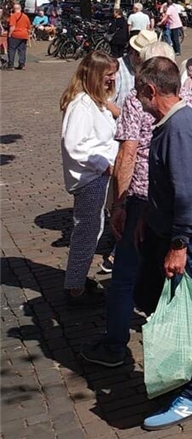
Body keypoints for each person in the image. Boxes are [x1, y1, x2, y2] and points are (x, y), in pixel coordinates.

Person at [81, 42, 192, 368]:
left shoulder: (140, 103)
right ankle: (172, 350)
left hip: (148, 199)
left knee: (128, 273)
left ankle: (118, 345)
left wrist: (119, 203)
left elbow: (127, 153)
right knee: (170, 282)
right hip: (169, 204)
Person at [131, 57, 192, 430]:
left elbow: (188, 196)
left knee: (190, 313)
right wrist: (148, 220)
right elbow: (170, 190)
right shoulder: (171, 124)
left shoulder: (179, 129)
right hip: (170, 229)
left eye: (140, 95)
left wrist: (179, 244)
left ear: (152, 90)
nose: (138, 103)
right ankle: (182, 381)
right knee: (170, 306)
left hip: (190, 236)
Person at [60, 51, 121, 306]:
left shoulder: (97, 101)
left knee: (92, 228)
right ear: (96, 76)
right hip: (90, 177)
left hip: (98, 173)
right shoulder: (82, 105)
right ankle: (75, 286)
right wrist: (103, 164)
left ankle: (77, 278)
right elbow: (74, 145)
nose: (113, 79)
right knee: (87, 231)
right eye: (108, 75)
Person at [5, 1, 32, 70]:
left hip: (15, 35)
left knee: (11, 49)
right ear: (20, 8)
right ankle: (22, 64)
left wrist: (10, 35)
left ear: (14, 9)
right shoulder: (25, 16)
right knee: (22, 50)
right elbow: (29, 27)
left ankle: (11, 65)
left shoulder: (13, 16)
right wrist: (28, 35)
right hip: (24, 35)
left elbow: (12, 26)